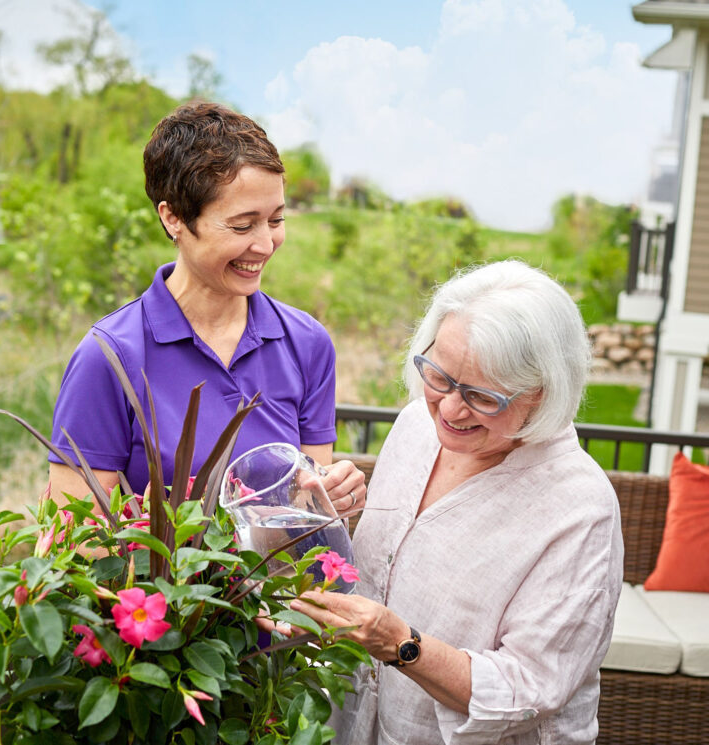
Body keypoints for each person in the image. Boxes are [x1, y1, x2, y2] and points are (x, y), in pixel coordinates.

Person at [290, 260, 624, 744]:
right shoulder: (415, 429)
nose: (449, 408)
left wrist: (402, 644)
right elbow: (391, 562)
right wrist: (338, 512)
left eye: (481, 396)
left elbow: (530, 688)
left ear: (543, 392)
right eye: (439, 376)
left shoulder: (579, 508)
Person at [46, 101, 365, 513]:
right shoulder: (110, 356)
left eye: (276, 220)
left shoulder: (306, 344)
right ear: (174, 217)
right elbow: (77, 541)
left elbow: (305, 513)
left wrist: (333, 497)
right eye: (242, 225)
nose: (266, 245)